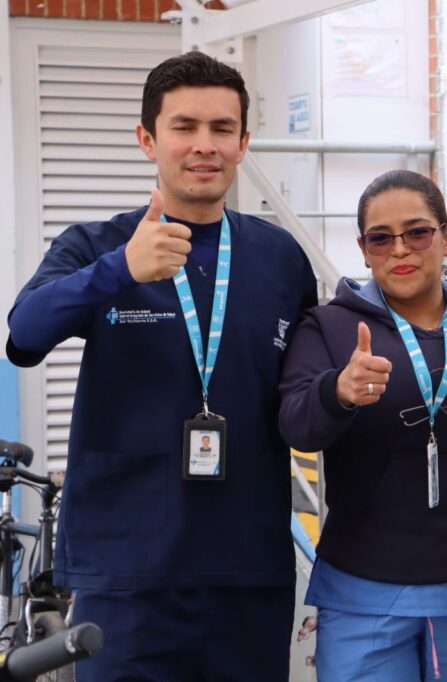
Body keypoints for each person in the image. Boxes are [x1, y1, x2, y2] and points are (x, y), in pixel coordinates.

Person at [5, 52, 318, 680]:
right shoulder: (98, 246)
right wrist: (120, 270)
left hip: (247, 569)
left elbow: (305, 392)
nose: (204, 145)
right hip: (126, 573)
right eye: (184, 127)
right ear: (148, 139)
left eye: (222, 128)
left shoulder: (280, 257)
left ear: (243, 143)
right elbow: (24, 336)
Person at [278, 170, 447, 681]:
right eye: (381, 238)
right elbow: (297, 425)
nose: (400, 249)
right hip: (364, 588)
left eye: (418, 232)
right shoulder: (329, 328)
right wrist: (338, 392)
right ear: (363, 250)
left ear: (446, 236)